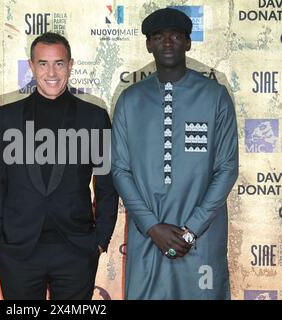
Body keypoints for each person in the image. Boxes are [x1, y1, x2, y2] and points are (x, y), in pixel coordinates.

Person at [111, 8, 238, 299]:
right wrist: (152, 227)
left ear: (188, 43)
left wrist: (191, 230)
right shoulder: (130, 100)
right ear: (148, 45)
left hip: (201, 237)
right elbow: (120, 169)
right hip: (148, 237)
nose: (167, 42)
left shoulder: (215, 96)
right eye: (158, 37)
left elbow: (227, 167)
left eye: (176, 36)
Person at [0, 32, 118, 300]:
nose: (51, 72)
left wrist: (100, 240)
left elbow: (107, 185)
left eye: (59, 63)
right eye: (43, 63)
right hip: (18, 250)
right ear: (31, 66)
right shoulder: (7, 117)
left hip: (76, 249)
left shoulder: (94, 117)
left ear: (70, 65)